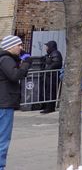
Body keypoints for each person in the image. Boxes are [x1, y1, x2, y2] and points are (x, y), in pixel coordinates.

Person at [0, 36, 32, 168]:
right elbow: (14, 75)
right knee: (3, 138)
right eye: (19, 45)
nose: (21, 48)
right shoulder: (5, 59)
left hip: (3, 101)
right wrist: (26, 64)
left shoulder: (5, 58)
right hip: (4, 103)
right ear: (10, 46)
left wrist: (20, 60)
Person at [39, 41, 62, 114]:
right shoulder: (49, 54)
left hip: (53, 76)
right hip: (48, 76)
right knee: (47, 91)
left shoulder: (56, 53)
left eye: (47, 47)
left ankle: (50, 107)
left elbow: (56, 63)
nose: (46, 48)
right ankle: (46, 106)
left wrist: (47, 70)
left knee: (51, 92)